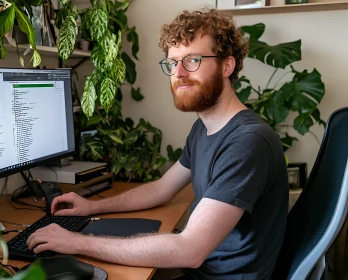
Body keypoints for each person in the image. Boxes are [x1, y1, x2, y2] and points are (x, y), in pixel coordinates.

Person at [27, 9, 289, 279]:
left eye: (193, 60)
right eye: (172, 63)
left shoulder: (246, 142)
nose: (179, 73)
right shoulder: (204, 127)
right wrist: (91, 207)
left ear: (227, 66)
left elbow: (190, 249)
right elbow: (162, 189)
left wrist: (75, 242)